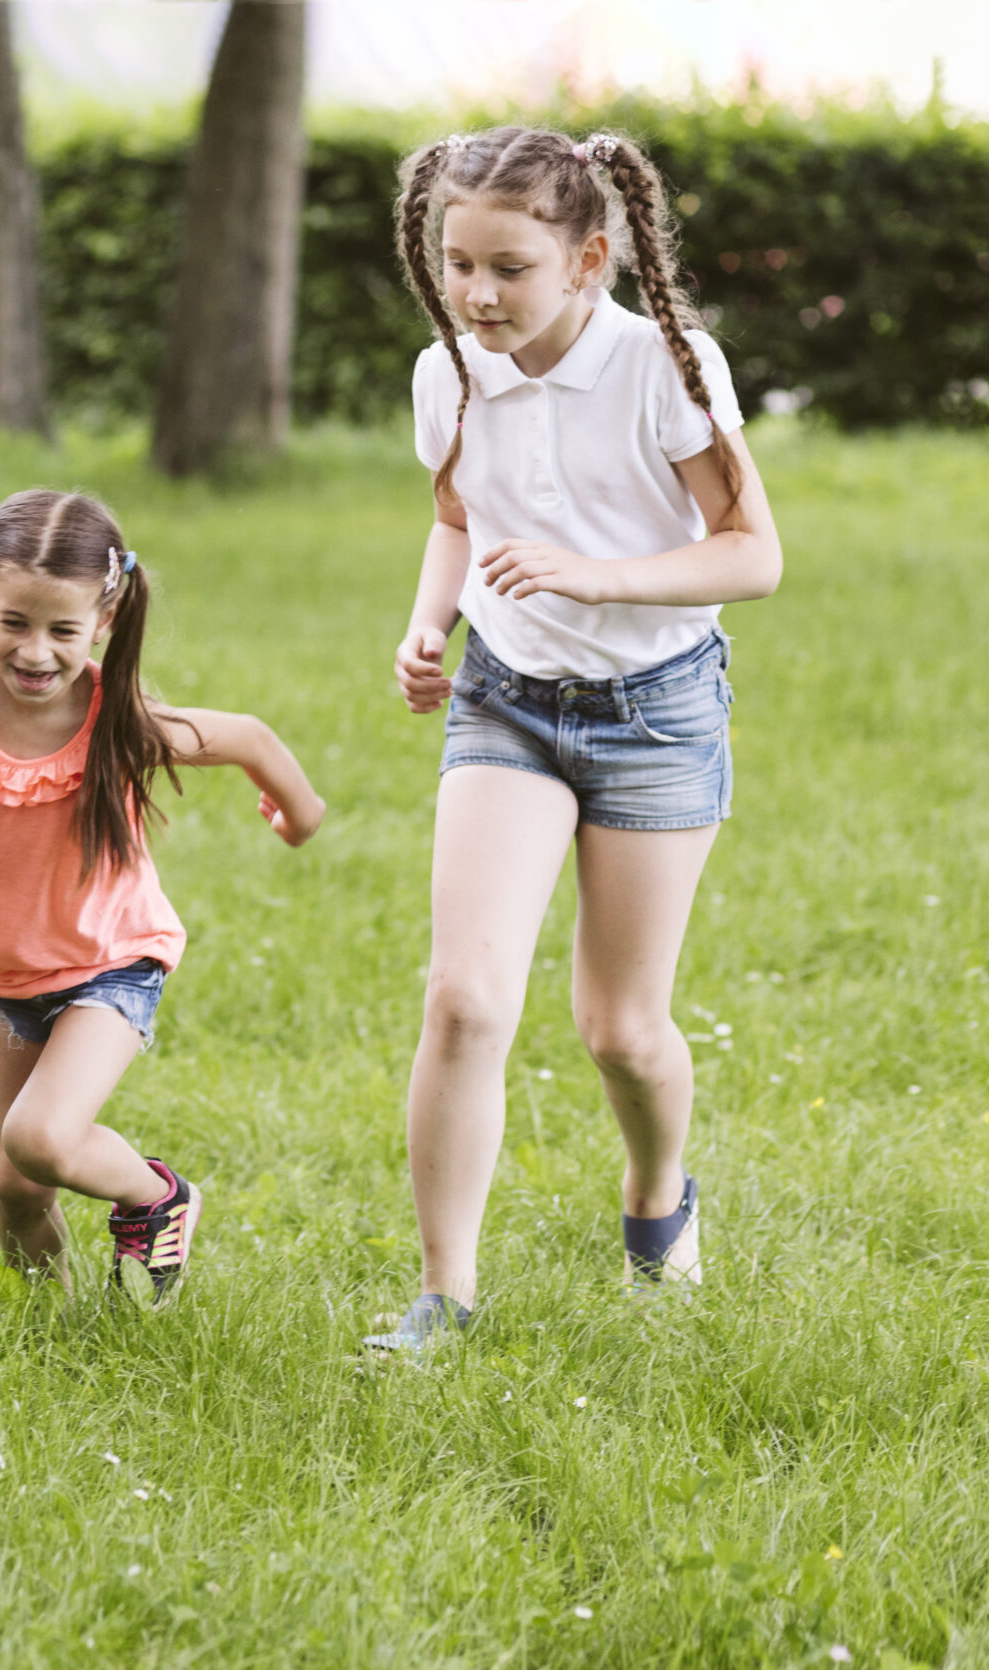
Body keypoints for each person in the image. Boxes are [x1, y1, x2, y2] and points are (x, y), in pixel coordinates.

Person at [369, 127, 783, 1355]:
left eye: (508, 268)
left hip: (653, 710)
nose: (477, 294)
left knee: (620, 1030)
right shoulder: (445, 372)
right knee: (463, 998)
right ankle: (442, 1296)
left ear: (588, 260)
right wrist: (427, 622)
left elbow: (752, 555)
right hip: (506, 700)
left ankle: (658, 1199)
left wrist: (592, 575)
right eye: (456, 264)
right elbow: (457, 510)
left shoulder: (663, 366)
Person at [0, 491, 324, 1295]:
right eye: (16, 623)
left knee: (41, 1136)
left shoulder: (115, 718)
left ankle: (160, 1196)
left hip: (112, 962)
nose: (36, 652)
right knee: (14, 1183)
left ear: (103, 619)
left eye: (63, 630)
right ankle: (48, 1328)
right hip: (2, 979)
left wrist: (297, 818)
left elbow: (248, 735)